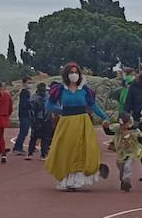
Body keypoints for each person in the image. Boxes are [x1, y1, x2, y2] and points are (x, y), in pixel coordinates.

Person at [45, 63, 111, 191]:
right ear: (66, 74)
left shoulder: (85, 90)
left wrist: (104, 117)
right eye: (71, 72)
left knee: (82, 150)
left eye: (76, 72)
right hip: (66, 123)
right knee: (66, 150)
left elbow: (93, 105)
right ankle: (67, 179)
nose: (74, 74)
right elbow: (49, 105)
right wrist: (61, 111)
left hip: (83, 122)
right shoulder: (60, 89)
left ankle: (78, 180)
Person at [110, 112, 142, 191]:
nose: (123, 126)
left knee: (127, 166)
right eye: (121, 125)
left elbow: (141, 139)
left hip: (132, 151)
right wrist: (105, 126)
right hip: (121, 152)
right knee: (121, 167)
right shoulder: (117, 128)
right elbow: (108, 131)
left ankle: (127, 180)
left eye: (125, 124)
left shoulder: (134, 130)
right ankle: (123, 180)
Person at [25, 83, 52, 160]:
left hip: (39, 119)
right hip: (42, 119)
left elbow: (30, 110)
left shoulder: (34, 98)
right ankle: (41, 154)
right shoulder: (46, 98)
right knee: (42, 137)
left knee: (36, 137)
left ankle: (32, 153)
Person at [13, 77, 34, 155]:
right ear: (24, 83)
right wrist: (31, 104)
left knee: (24, 131)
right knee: (23, 131)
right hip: (24, 114)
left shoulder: (26, 92)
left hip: (25, 114)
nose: (30, 85)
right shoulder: (25, 92)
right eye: (29, 83)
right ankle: (18, 147)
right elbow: (24, 104)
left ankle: (18, 147)